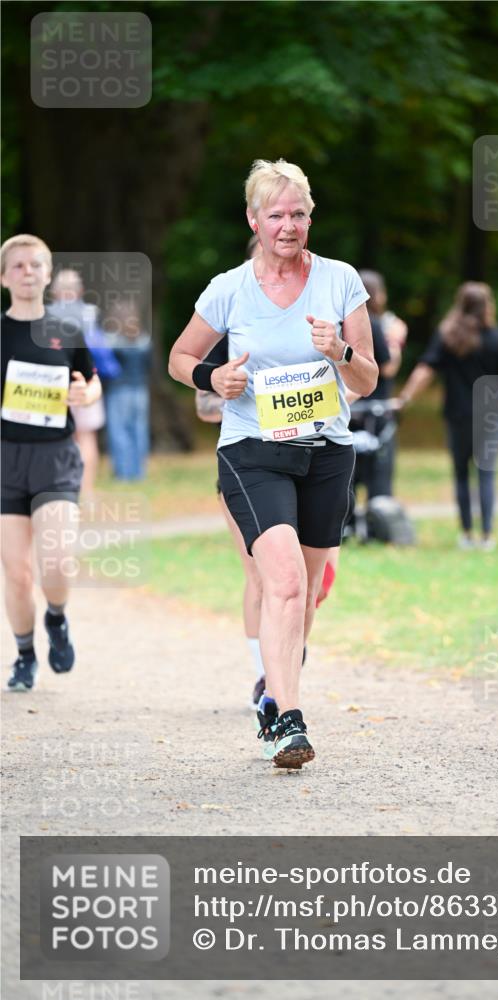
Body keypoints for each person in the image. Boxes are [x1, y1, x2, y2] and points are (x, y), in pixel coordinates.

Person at [169, 158, 377, 768]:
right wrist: (216, 375)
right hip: (253, 450)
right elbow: (180, 357)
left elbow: (365, 380)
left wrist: (337, 349)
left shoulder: (340, 281)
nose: (288, 225)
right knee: (281, 580)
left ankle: (276, 694)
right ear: (254, 220)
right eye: (276, 214)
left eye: (299, 214)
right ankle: (288, 718)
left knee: (307, 593)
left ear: (311, 217)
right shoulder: (228, 288)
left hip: (327, 450)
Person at [1, 235, 101, 691]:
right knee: (18, 573)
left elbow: (93, 382)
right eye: (17, 266)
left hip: (55, 456)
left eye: (34, 265)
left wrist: (86, 393)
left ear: (47, 273)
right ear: (4, 277)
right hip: (6, 459)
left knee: (57, 561)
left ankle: (56, 618)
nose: (26, 272)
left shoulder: (66, 328)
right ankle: (24, 653)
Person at [398, 282, 498, 550]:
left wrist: (404, 399)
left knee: (461, 475)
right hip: (490, 417)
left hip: (458, 416)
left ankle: (465, 533)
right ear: (487, 306)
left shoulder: (448, 337)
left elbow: (425, 371)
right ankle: (486, 536)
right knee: (486, 474)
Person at [48, 268, 118, 494]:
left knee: (59, 437)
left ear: (54, 292)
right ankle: (86, 490)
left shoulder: (46, 314)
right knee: (87, 436)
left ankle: (62, 486)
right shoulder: (90, 312)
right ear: (80, 291)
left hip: (53, 382)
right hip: (86, 379)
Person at [350, 270, 405, 500]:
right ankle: (374, 521)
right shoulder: (371, 323)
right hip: (374, 408)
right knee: (379, 474)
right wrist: (396, 341)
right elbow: (387, 366)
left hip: (349, 405)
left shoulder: (345, 320)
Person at [104, 298, 152, 480]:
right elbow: (149, 366)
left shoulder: (113, 341)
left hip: (119, 390)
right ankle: (139, 472)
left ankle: (123, 473)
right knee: (139, 430)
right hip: (140, 390)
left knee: (119, 431)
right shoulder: (145, 339)